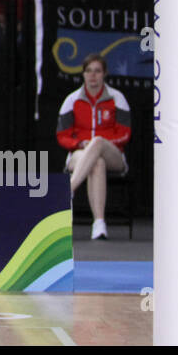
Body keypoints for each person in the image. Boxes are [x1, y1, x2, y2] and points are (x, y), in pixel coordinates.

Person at [58, 54, 131, 240]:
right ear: (82, 74)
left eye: (97, 71)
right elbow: (62, 135)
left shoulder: (117, 98)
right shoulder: (72, 100)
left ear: (105, 74)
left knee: (98, 143)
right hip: (79, 155)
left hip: (113, 154)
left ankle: (68, 191)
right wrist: (79, 144)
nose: (93, 75)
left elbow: (125, 134)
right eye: (88, 71)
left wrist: (98, 144)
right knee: (96, 162)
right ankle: (99, 223)